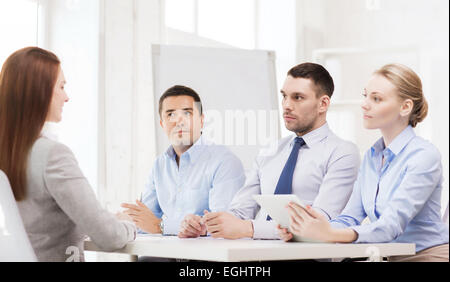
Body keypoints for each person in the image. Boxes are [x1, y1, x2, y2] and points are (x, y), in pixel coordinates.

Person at [280, 63, 449, 262]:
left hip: (428, 256)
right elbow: (350, 217)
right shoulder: (372, 156)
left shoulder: (424, 156)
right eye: (365, 95)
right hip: (386, 256)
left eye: (376, 98)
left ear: (405, 107)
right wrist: (309, 229)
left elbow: (391, 225)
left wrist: (330, 234)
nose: (364, 104)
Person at [0, 47, 136, 262]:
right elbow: (110, 237)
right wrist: (129, 224)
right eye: (61, 87)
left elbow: (46, 222)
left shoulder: (7, 154)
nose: (66, 97)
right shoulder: (52, 155)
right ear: (40, 91)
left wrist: (108, 221)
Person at [202, 63, 361, 240]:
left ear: (323, 104)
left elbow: (316, 223)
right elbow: (241, 211)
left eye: (298, 98)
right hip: (259, 256)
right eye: (284, 96)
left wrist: (250, 229)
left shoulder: (342, 153)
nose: (286, 105)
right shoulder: (271, 150)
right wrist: (208, 225)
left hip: (310, 259)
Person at [121, 85, 245, 238]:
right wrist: (121, 221)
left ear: (202, 119)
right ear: (162, 124)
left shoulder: (224, 162)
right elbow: (145, 221)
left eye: (187, 113)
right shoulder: (159, 165)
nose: (179, 122)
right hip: (169, 252)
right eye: (171, 114)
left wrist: (160, 226)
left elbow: (222, 226)